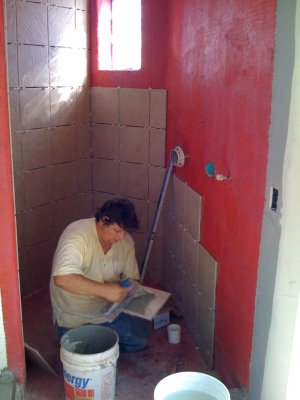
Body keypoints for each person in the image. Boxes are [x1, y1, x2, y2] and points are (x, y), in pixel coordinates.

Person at [50, 197, 148, 352]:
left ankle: (107, 339)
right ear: (103, 221)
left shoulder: (126, 242)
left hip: (107, 313)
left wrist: (126, 289)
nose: (121, 237)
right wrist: (106, 290)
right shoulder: (77, 236)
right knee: (83, 354)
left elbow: (132, 278)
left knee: (139, 342)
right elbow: (62, 279)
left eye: (125, 231)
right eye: (117, 231)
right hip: (74, 317)